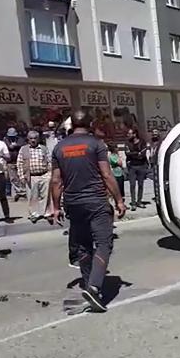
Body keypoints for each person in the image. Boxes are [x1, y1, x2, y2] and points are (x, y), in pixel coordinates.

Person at [50, 110, 126, 312]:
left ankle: (88, 285)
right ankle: (93, 287)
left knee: (82, 245)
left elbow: (56, 180)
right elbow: (107, 174)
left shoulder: (59, 147)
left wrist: (55, 207)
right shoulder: (95, 144)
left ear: (72, 124)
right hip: (96, 201)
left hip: (73, 203)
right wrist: (119, 200)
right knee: (103, 243)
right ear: (89, 123)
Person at [17, 130, 51, 223]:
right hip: (31, 176)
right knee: (32, 196)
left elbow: (49, 161)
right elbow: (19, 163)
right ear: (28, 139)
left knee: (46, 195)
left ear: (38, 139)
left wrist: (49, 174)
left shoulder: (43, 148)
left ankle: (46, 213)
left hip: (44, 175)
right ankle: (33, 214)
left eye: (35, 138)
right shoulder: (23, 149)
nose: (33, 140)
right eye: (31, 138)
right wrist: (21, 177)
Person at [126, 127, 148, 211]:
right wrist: (136, 153)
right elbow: (127, 153)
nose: (128, 135)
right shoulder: (127, 143)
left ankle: (139, 201)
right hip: (132, 166)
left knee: (141, 184)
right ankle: (133, 203)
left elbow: (142, 155)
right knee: (132, 185)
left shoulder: (142, 142)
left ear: (134, 134)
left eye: (130, 133)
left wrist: (134, 154)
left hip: (141, 166)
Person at [3, 127, 25, 200]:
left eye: (13, 136)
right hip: (10, 162)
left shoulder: (20, 139)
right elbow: (8, 146)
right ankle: (19, 192)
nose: (11, 137)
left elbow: (22, 144)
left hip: (19, 161)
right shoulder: (5, 140)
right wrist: (12, 146)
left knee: (21, 177)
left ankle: (23, 190)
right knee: (13, 178)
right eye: (10, 136)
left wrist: (16, 145)